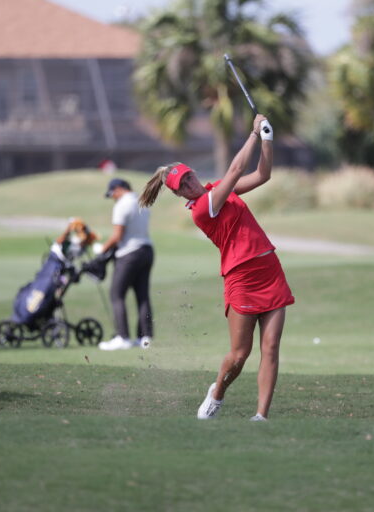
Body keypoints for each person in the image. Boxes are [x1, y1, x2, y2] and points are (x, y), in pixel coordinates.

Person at [138, 114, 293, 421]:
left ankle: (261, 416)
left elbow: (263, 174)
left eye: (190, 177)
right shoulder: (201, 209)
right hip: (241, 278)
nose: (190, 184)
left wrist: (267, 139)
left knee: (271, 347)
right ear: (180, 194)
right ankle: (217, 393)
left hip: (269, 270)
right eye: (183, 185)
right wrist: (251, 135)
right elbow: (236, 170)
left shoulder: (219, 190)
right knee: (239, 354)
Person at [97, 178, 154, 350]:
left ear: (118, 189)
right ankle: (145, 337)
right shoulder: (142, 202)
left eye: (112, 193)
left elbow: (116, 237)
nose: (113, 198)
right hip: (147, 250)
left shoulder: (122, 205)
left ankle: (123, 337)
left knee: (117, 294)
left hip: (129, 254)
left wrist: (101, 251)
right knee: (142, 295)